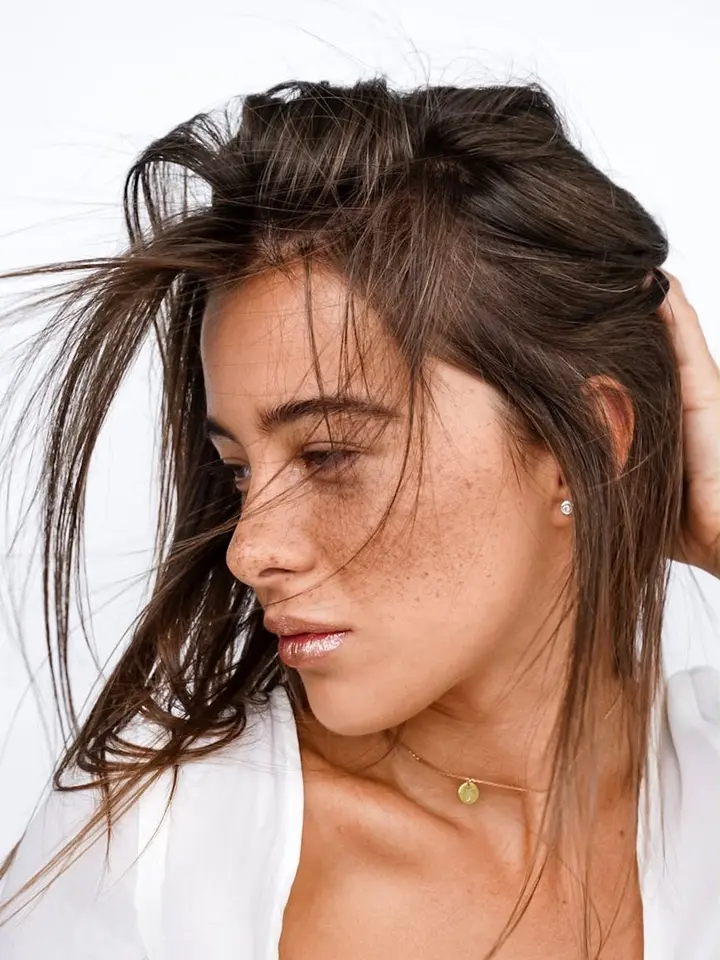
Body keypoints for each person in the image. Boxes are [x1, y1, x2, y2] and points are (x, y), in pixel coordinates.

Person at [0, 77, 718, 960]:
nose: (249, 550)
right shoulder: (157, 844)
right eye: (237, 470)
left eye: (329, 455)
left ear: (585, 443)